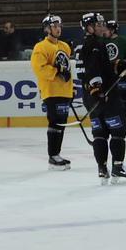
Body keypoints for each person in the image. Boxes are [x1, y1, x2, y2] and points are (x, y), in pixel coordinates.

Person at [79, 13, 126, 183]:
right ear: (89, 27)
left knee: (100, 132)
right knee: (119, 129)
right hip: (104, 96)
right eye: (97, 24)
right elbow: (93, 69)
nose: (101, 26)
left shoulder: (88, 45)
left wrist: (119, 65)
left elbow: (101, 66)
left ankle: (102, 169)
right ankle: (117, 167)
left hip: (91, 97)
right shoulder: (95, 45)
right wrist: (97, 89)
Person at [30, 14, 73, 170]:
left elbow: (67, 69)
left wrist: (71, 88)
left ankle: (57, 154)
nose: (58, 29)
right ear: (47, 29)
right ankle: (52, 156)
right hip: (51, 91)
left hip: (64, 91)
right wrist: (56, 72)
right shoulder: (40, 47)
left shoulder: (65, 47)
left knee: (61, 124)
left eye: (59, 26)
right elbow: (39, 68)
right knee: (55, 123)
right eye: (54, 26)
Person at [104, 18, 126, 124]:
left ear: (113, 30)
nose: (104, 31)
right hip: (109, 76)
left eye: (107, 29)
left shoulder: (124, 40)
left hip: (123, 75)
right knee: (109, 99)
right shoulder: (102, 41)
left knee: (124, 96)